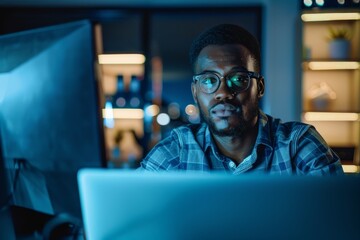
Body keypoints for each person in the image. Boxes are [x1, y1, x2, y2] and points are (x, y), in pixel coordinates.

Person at [139, 23, 343, 175]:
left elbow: (340, 221)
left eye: (238, 78)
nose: (223, 92)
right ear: (195, 92)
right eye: (209, 80)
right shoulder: (176, 151)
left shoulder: (297, 145)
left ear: (259, 87)